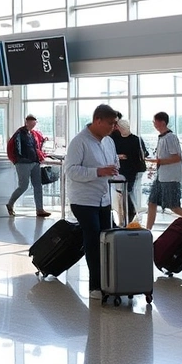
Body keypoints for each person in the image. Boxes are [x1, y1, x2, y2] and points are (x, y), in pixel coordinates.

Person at [63, 104, 120, 299]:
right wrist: (98, 171)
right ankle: (95, 285)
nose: (113, 127)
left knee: (107, 239)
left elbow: (114, 164)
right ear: (98, 120)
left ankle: (108, 281)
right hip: (84, 200)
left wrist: (113, 170)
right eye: (111, 123)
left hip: (104, 198)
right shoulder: (79, 142)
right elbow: (70, 170)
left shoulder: (109, 142)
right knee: (94, 239)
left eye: (115, 124)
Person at [145, 111, 182, 230]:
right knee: (152, 202)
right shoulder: (162, 138)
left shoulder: (170, 138)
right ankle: (148, 230)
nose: (154, 124)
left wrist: (159, 162)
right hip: (161, 177)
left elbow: (177, 157)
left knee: (173, 206)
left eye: (155, 122)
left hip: (170, 178)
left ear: (162, 122)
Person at [7, 114, 52, 217]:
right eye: (32, 123)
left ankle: (39, 209)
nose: (33, 125)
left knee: (38, 186)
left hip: (34, 162)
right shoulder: (19, 134)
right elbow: (16, 148)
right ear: (27, 122)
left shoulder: (32, 134)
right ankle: (10, 204)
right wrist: (18, 160)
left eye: (34, 123)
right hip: (22, 163)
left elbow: (36, 146)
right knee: (23, 186)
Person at [110, 119, 148, 223]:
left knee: (125, 193)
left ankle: (128, 215)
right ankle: (127, 215)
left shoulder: (117, 139)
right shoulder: (134, 139)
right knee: (125, 193)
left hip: (127, 171)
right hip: (126, 171)